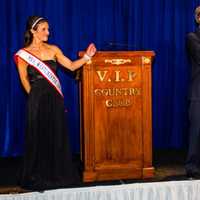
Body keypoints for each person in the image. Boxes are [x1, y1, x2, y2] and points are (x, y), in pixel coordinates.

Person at [14, 16, 96, 190]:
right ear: (33, 31)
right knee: (38, 136)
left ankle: (57, 174)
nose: (48, 32)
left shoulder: (54, 49)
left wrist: (87, 56)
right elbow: (24, 81)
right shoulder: (23, 55)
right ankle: (37, 174)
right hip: (37, 100)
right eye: (44, 29)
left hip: (55, 100)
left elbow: (72, 66)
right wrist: (34, 99)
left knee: (57, 134)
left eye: (48, 29)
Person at [185, 6, 200, 178]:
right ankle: (192, 167)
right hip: (198, 94)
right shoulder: (192, 37)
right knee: (196, 132)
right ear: (198, 18)